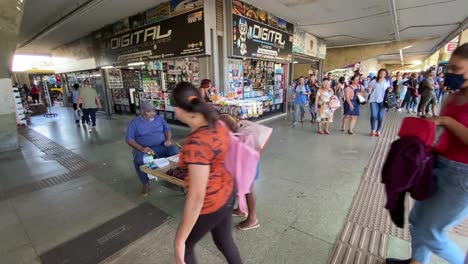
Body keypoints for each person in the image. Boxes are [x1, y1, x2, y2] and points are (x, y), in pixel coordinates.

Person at [386, 43, 468, 264]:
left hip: (463, 177)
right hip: (439, 165)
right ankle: (416, 262)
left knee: (431, 231)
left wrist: (446, 121)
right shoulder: (452, 96)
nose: (450, 74)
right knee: (417, 219)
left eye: (457, 70)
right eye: (449, 68)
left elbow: (448, 124)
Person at [171, 82, 243, 264]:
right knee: (224, 241)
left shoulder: (196, 143)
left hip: (211, 203)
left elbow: (197, 197)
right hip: (228, 192)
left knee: (186, 245)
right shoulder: (217, 123)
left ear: (178, 109)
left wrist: (179, 240)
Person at [125, 101, 179, 196]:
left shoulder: (159, 119)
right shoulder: (135, 123)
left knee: (174, 151)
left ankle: (171, 177)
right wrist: (142, 148)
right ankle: (145, 184)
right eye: (149, 111)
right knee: (139, 160)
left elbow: (167, 130)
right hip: (146, 149)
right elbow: (129, 139)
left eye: (153, 110)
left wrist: (168, 139)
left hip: (161, 146)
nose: (153, 113)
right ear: (142, 111)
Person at [368, 69, 390, 137]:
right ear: (378, 74)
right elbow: (369, 88)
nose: (382, 75)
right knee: (373, 115)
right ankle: (372, 130)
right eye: (381, 73)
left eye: (384, 73)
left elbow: (389, 89)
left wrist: (390, 89)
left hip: (383, 101)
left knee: (381, 116)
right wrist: (369, 89)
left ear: (386, 74)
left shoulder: (387, 81)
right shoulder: (374, 81)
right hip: (373, 100)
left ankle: (378, 130)